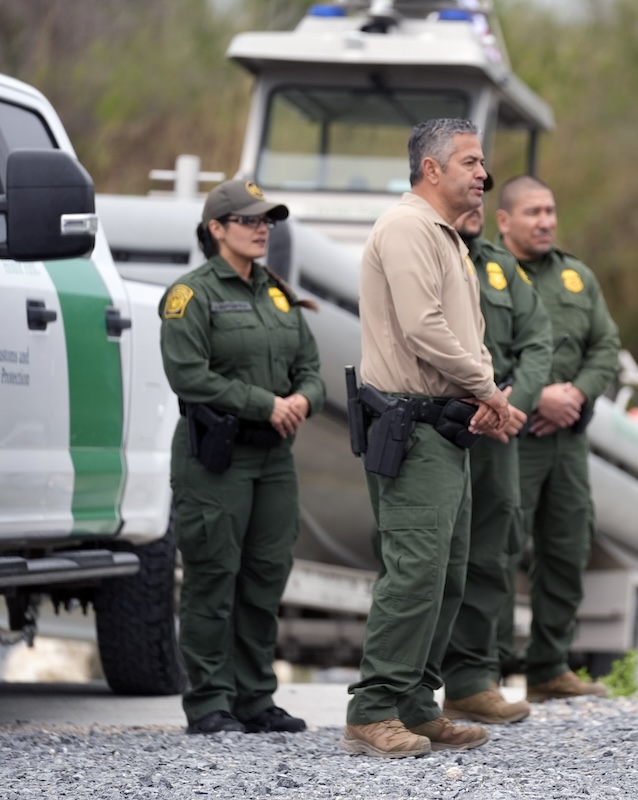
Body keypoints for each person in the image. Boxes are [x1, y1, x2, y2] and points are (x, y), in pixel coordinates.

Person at [341, 118, 510, 758]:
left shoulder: (449, 238)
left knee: (445, 576)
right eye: (470, 162)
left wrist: (480, 390)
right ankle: (372, 709)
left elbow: (465, 334)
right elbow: (424, 329)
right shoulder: (409, 227)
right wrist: (488, 389)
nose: (482, 174)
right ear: (432, 169)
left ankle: (415, 703)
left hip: (444, 425)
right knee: (414, 574)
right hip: (410, 427)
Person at [159, 178, 325, 735]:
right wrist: (264, 403)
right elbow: (188, 375)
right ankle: (209, 702)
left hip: (274, 459)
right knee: (213, 577)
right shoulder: (192, 295)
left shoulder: (278, 293)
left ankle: (256, 698)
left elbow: (311, 367)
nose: (262, 229)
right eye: (250, 220)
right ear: (216, 229)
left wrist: (303, 397)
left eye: (267, 220)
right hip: (217, 458)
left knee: (264, 577)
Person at [494, 175, 621, 702]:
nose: (545, 221)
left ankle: (549, 668)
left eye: (550, 210)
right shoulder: (486, 274)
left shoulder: (576, 276)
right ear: (504, 220)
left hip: (566, 440)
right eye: (532, 212)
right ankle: (486, 672)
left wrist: (578, 395)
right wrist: (534, 397)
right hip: (508, 434)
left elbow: (606, 346)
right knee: (496, 549)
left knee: (568, 546)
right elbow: (476, 351)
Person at [440, 175, 554, 724]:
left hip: (500, 429)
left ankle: (470, 680)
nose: (477, 200)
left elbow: (538, 339)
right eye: (470, 187)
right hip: (440, 425)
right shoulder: (426, 249)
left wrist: (516, 403)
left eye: (484, 191)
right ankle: (411, 686)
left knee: (493, 549)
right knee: (434, 555)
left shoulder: (500, 266)